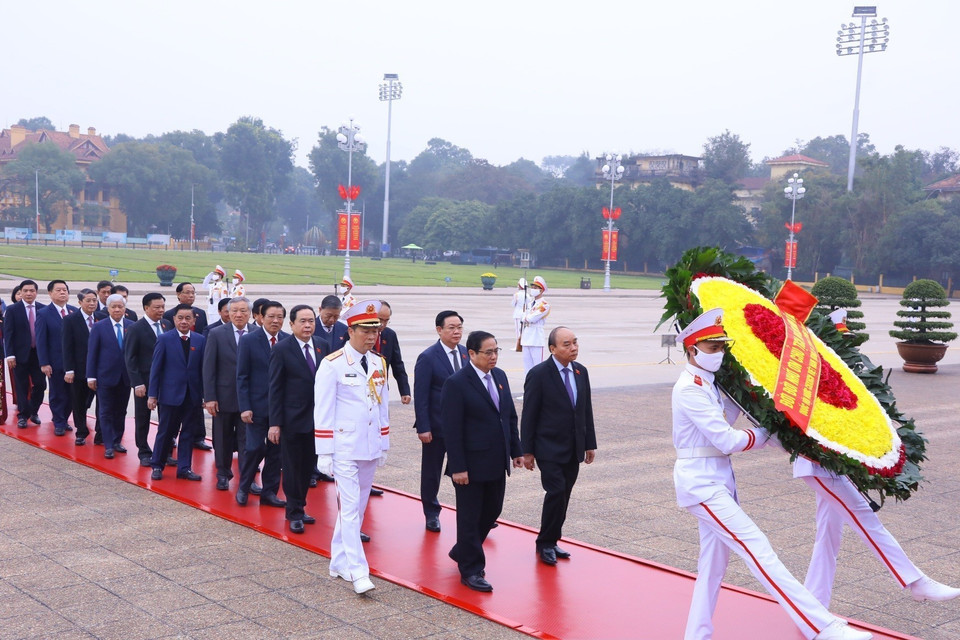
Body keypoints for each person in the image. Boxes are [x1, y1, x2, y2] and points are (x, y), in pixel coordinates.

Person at [672, 308, 869, 640]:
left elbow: (733, 411)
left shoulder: (710, 384)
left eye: (721, 347)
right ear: (691, 349)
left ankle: (696, 635)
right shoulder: (689, 388)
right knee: (757, 548)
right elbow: (726, 438)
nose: (718, 354)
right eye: (710, 347)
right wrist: (765, 432)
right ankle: (821, 626)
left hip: (716, 480)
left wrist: (765, 395)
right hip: (701, 484)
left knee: (712, 567)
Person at [794, 456, 960, 607]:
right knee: (864, 518)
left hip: (828, 462)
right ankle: (916, 581)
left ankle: (814, 605)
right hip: (818, 463)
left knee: (828, 533)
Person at [314, 300, 390, 595]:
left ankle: (338, 562)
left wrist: (384, 442)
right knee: (349, 509)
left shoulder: (378, 363)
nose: (372, 337)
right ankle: (359, 571)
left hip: (369, 446)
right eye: (365, 331)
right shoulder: (332, 364)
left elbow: (381, 406)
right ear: (350, 330)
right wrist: (324, 452)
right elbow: (322, 410)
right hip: (344, 446)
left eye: (376, 331)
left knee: (356, 508)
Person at [441, 330, 523, 593]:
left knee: (492, 511)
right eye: (488, 352)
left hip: (496, 461)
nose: (494, 356)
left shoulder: (499, 376)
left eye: (496, 351)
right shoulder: (457, 383)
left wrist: (516, 450)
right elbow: (452, 429)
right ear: (471, 354)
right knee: (469, 517)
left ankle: (463, 550)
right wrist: (458, 466)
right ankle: (471, 569)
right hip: (470, 465)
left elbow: (508, 416)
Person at [520, 326, 597, 566]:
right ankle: (544, 543)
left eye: (575, 342)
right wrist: (527, 451)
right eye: (566, 344)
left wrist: (589, 444)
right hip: (548, 448)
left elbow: (585, 410)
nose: (573, 348)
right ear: (552, 349)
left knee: (564, 494)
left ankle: (552, 540)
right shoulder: (539, 374)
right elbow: (529, 414)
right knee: (555, 492)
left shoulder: (580, 372)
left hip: (573, 447)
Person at [268, 304, 329, 533]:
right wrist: (275, 423)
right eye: (302, 321)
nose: (307, 325)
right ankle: (293, 512)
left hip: (317, 420)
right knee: (292, 468)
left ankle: (301, 507)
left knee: (307, 468)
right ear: (291, 324)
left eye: (311, 321)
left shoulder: (323, 346)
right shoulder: (282, 349)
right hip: (292, 419)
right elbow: (275, 388)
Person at [413, 310, 468, 533]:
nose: (456, 332)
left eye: (459, 328)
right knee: (431, 472)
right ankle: (431, 513)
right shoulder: (428, 357)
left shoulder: (467, 354)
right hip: (436, 427)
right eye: (451, 328)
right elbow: (422, 394)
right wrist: (424, 426)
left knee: (464, 471)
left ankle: (468, 511)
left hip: (463, 427)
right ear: (439, 330)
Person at [236, 300, 288, 507]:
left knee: (276, 453)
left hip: (280, 409)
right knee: (254, 448)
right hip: (256, 407)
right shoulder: (249, 340)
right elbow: (242, 376)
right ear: (261, 318)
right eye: (271, 317)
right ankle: (244, 486)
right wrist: (245, 406)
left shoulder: (287, 340)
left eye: (280, 317)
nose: (275, 321)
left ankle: (269, 492)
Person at [148, 303, 206, 481]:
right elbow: (156, 369)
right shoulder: (165, 339)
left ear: (194, 320)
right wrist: (152, 395)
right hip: (170, 395)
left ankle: (184, 468)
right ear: (174, 319)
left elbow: (203, 370)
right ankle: (157, 465)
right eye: (180, 318)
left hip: (192, 396)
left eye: (188, 318)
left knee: (188, 433)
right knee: (165, 432)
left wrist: (205, 395)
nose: (183, 321)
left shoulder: (200, 339)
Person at [203, 296, 255, 491]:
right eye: (234, 311)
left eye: (243, 311)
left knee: (247, 441)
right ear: (228, 313)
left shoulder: (257, 333)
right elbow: (209, 368)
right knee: (223, 439)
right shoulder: (216, 334)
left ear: (250, 313)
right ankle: (223, 474)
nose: (238, 314)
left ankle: (247, 479)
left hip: (249, 400)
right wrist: (209, 397)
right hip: (223, 398)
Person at [124, 292, 171, 466]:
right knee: (143, 417)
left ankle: (163, 452)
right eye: (157, 307)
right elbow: (130, 358)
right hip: (144, 381)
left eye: (163, 307)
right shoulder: (136, 328)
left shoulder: (167, 325)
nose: (161, 310)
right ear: (146, 308)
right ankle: (144, 451)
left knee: (166, 418)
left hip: (166, 382)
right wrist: (137, 383)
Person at [163, 282, 210, 452]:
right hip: (177, 369)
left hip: (195, 364)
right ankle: (172, 440)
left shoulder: (200, 313)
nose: (191, 295)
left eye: (193, 292)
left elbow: (204, 334)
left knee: (196, 412)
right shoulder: (170, 315)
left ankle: (199, 438)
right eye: (187, 292)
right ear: (178, 294)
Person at [86, 294, 134, 459]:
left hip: (125, 377)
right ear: (107, 308)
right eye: (113, 306)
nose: (117, 309)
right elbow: (92, 353)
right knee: (105, 411)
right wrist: (90, 376)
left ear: (124, 309)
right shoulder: (99, 327)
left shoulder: (131, 326)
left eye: (120, 306)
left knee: (121, 411)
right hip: (105, 377)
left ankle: (117, 440)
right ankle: (108, 445)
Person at [36, 280, 77, 436]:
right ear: (50, 293)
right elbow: (41, 341)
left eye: (65, 290)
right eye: (58, 290)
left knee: (72, 394)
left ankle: (64, 418)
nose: (62, 292)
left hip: (73, 363)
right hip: (55, 362)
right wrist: (44, 363)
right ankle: (58, 422)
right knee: (57, 393)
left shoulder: (74, 311)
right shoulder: (44, 313)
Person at [4, 279, 47, 428]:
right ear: (20, 293)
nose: (29, 293)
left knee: (40, 384)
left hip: (39, 355)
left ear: (36, 292)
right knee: (21, 386)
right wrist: (9, 355)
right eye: (26, 291)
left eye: (32, 291)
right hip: (20, 355)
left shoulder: (43, 309)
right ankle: (22, 415)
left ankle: (33, 411)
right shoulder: (12, 310)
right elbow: (8, 333)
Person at [62, 288, 99, 444]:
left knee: (98, 402)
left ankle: (101, 432)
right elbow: (67, 347)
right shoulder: (70, 320)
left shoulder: (102, 318)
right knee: (79, 400)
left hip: (99, 368)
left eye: (94, 300)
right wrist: (69, 370)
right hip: (79, 368)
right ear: (80, 302)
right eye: (88, 300)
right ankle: (81, 431)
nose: (92, 304)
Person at [375, 301, 410, 404]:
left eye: (386, 321)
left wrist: (404, 391)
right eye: (380, 319)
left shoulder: (390, 335)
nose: (383, 324)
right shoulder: (357, 334)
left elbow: (397, 364)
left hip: (382, 389)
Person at [519, 276, 550, 374]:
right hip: (527, 336)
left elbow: (531, 318)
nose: (533, 290)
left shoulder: (544, 305)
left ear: (541, 290)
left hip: (536, 338)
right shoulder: (529, 303)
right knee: (527, 368)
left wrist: (526, 318)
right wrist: (525, 318)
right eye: (532, 287)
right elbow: (522, 317)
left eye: (536, 288)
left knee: (538, 368)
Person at [511, 277, 529, 344]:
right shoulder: (528, 295)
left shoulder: (517, 295)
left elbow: (513, 304)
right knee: (523, 330)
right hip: (524, 314)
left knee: (518, 331)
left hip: (517, 314)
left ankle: (518, 345)